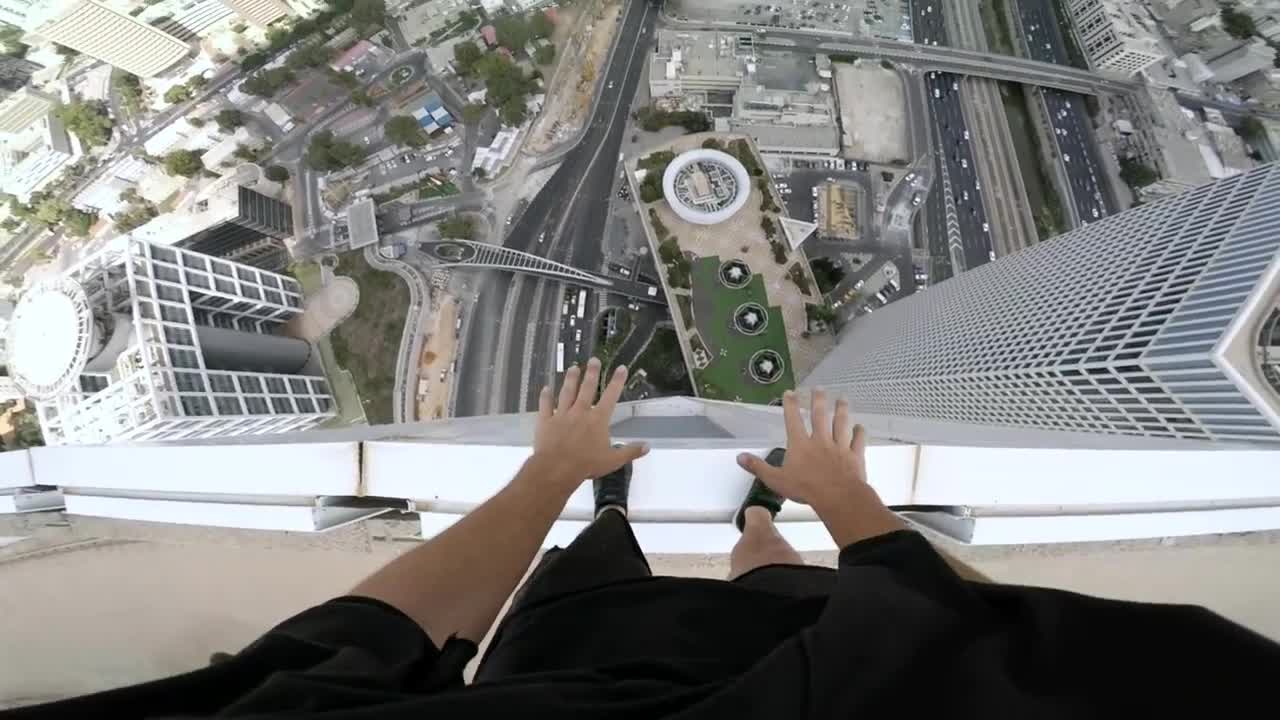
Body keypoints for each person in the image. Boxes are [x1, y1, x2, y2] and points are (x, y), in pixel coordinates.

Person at [6, 358, 1279, 718]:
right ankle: (751, 521)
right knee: (778, 586)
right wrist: (845, 505)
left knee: (754, 593)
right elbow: (974, 649)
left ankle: (651, 514)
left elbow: (352, 647)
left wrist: (552, 474)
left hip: (593, 661)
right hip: (695, 660)